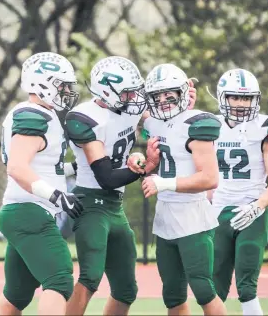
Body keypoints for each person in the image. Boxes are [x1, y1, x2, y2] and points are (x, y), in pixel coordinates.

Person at [64, 56, 185, 316]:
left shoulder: (129, 109)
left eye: (134, 91)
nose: (134, 98)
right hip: (90, 203)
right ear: (108, 92)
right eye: (128, 92)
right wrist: (144, 167)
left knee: (126, 289)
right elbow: (105, 178)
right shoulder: (86, 117)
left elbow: (162, 120)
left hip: (114, 208)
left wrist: (184, 106)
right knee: (90, 278)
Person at [0, 52, 85, 315]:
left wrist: (72, 169)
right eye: (62, 85)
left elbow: (41, 166)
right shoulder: (33, 115)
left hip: (23, 210)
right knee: (59, 279)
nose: (67, 91)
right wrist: (57, 195)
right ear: (41, 83)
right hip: (28, 211)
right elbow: (17, 167)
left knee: (17, 293)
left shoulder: (39, 113)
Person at [136, 63, 227, 315]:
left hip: (192, 216)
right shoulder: (153, 124)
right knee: (172, 294)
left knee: (203, 289)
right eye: (157, 96)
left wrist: (163, 183)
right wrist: (147, 164)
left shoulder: (196, 124)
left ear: (182, 93)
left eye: (169, 95)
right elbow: (132, 111)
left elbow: (209, 178)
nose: (163, 101)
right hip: (165, 216)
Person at [208, 69, 268, 316]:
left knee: (247, 286)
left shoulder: (264, 127)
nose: (241, 104)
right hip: (218, 211)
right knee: (215, 287)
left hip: (253, 209)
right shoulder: (209, 125)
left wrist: (257, 206)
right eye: (235, 97)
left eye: (246, 98)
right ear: (222, 97)